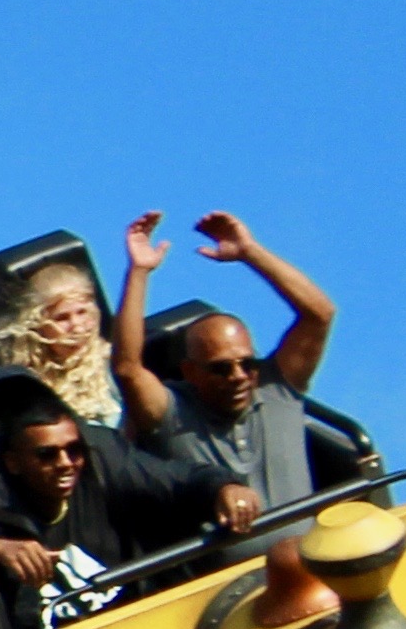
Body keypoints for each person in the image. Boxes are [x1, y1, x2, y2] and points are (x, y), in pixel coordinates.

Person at [0, 384, 259, 629]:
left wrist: (223, 487)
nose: (65, 463)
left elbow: (176, 478)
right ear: (13, 462)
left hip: (135, 621)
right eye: (47, 455)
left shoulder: (103, 459)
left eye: (73, 450)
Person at [114, 210, 355, 509]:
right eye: (221, 369)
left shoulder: (275, 388)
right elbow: (127, 368)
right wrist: (138, 272)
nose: (239, 376)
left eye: (248, 363)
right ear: (190, 372)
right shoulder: (173, 412)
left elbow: (320, 315)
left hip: (306, 539)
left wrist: (250, 252)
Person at [0, 255, 122, 428]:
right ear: (38, 325)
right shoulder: (28, 385)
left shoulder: (114, 363)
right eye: (62, 318)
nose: (77, 327)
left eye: (82, 312)